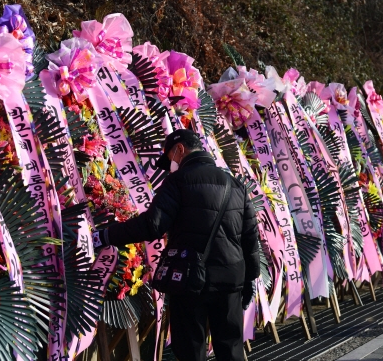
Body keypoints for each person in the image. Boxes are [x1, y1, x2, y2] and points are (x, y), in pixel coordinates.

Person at [93, 129, 260, 360]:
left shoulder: (178, 181)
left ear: (180, 149)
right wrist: (250, 277)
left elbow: (152, 225)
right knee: (231, 349)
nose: (171, 163)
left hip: (190, 279)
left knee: (190, 349)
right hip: (230, 280)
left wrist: (106, 236)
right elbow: (250, 237)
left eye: (170, 156)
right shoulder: (234, 184)